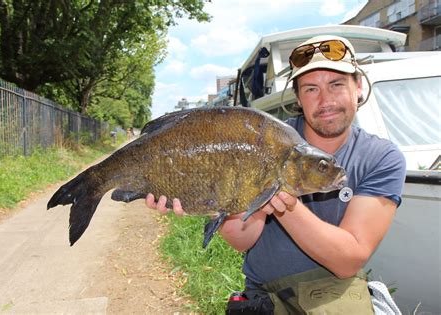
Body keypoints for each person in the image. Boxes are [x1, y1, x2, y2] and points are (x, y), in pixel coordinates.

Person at [146, 35, 406, 314]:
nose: (325, 100)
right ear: (297, 97)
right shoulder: (263, 141)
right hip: (263, 295)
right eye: (311, 89)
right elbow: (241, 239)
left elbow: (348, 261)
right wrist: (213, 198)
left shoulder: (382, 157)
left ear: (358, 87)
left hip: (336, 294)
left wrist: (284, 198)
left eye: (336, 84)